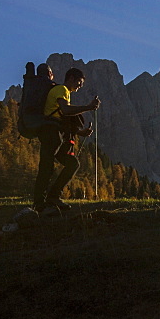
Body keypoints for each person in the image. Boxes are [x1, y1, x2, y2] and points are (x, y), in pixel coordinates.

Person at [32, 66, 100, 212]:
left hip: (55, 134)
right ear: (71, 78)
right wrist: (88, 107)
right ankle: (40, 202)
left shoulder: (64, 92)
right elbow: (65, 110)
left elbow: (62, 117)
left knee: (72, 163)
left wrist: (80, 132)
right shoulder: (61, 90)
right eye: (79, 82)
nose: (80, 86)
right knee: (47, 166)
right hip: (50, 132)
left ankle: (52, 197)